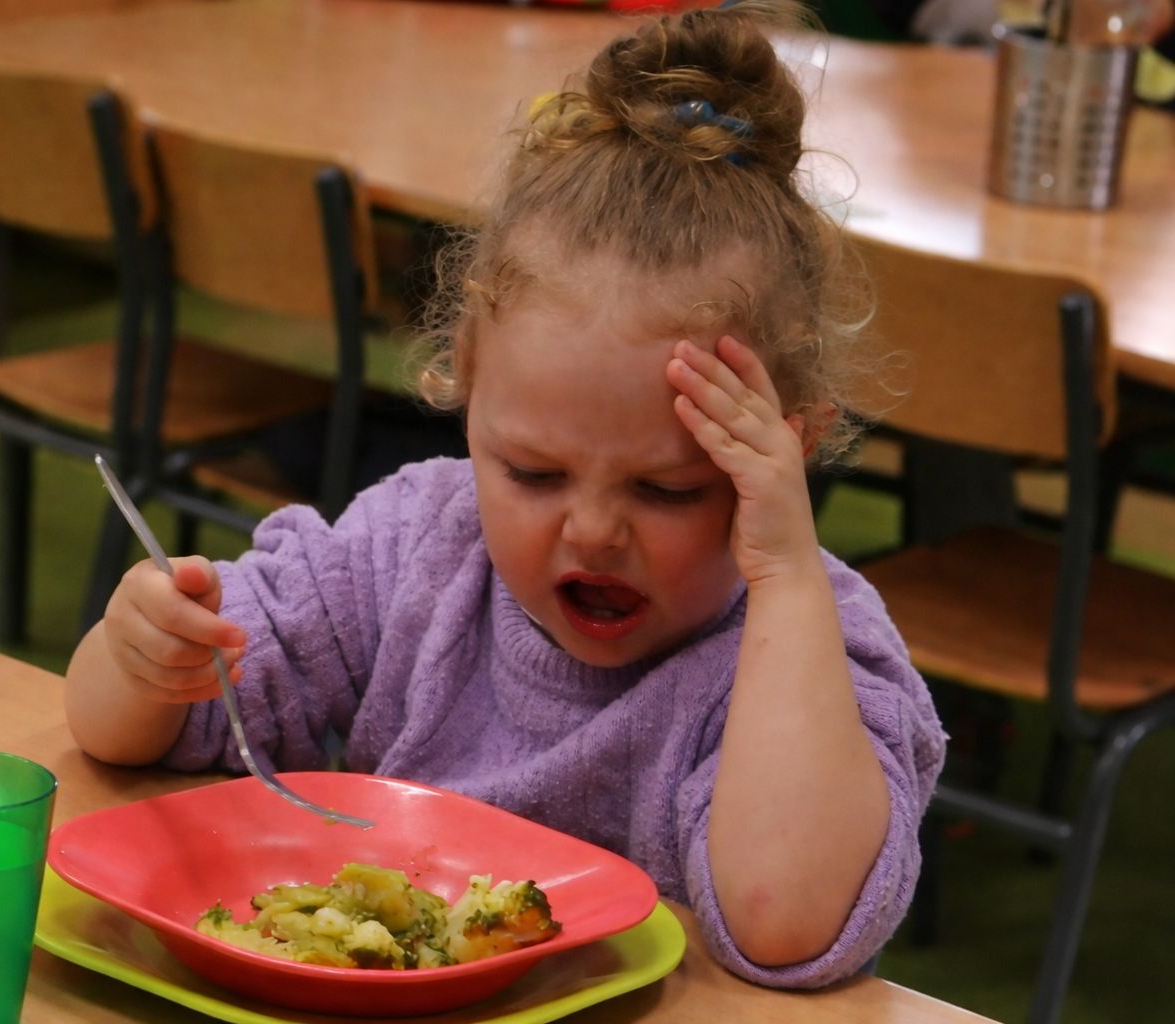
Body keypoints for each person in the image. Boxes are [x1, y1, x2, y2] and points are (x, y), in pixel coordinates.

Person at [66, 0, 945, 987]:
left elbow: (788, 923)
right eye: (532, 473)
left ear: (787, 452)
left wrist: (785, 572)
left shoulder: (814, 648)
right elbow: (131, 731)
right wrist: (144, 659)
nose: (595, 531)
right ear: (463, 392)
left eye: (667, 489)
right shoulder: (414, 546)